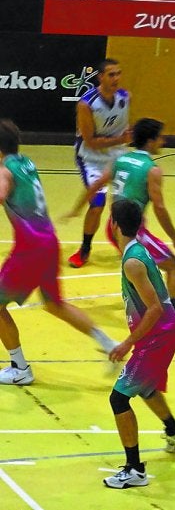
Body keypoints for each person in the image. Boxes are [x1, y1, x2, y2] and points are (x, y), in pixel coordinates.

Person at [0, 119, 117, 385]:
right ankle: (108, 343)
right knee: (54, 304)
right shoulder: (26, 163)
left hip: (29, 249)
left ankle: (20, 368)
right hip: (49, 243)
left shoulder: (4, 170)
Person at [64, 118, 175, 336]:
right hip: (132, 230)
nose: (163, 141)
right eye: (160, 137)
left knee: (141, 270)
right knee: (174, 267)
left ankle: (146, 310)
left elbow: (96, 185)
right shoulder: (152, 170)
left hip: (113, 226)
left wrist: (76, 209)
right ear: (150, 141)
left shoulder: (120, 160)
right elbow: (159, 207)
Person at [103, 199, 175, 489]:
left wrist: (126, 343)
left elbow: (154, 308)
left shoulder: (132, 261)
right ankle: (174, 429)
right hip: (158, 335)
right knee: (145, 386)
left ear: (114, 225)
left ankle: (135, 470)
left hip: (157, 337)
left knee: (119, 399)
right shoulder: (136, 251)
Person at [68, 58, 131, 269]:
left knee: (126, 202)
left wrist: (129, 138)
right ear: (101, 77)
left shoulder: (125, 97)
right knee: (97, 204)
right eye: (111, 74)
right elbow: (91, 142)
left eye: (119, 73)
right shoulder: (86, 104)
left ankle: (118, 233)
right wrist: (121, 140)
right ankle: (85, 249)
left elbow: (124, 129)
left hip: (118, 155)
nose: (116, 78)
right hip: (91, 158)